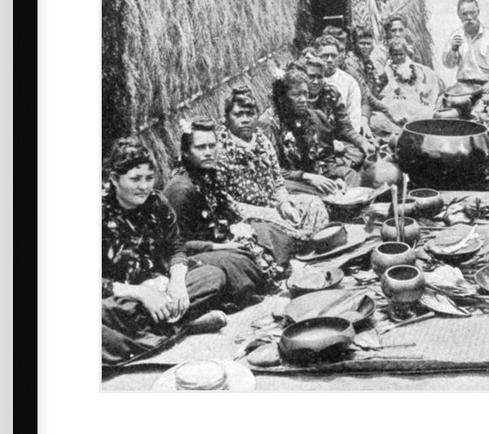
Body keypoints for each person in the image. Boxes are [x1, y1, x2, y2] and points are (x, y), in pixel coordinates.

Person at [101, 138, 230, 366]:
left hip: (162, 286)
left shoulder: (157, 202)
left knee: (213, 276)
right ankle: (185, 325)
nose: (144, 186)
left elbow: (176, 247)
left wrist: (177, 282)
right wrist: (141, 293)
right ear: (114, 179)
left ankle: (156, 330)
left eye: (149, 178)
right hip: (121, 296)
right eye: (135, 179)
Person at [163, 120, 283, 293]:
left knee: (265, 232)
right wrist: (221, 246)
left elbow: (222, 214)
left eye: (212, 146)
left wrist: (236, 229)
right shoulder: (180, 191)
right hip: (187, 258)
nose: (208, 152)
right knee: (239, 260)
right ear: (186, 153)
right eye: (201, 147)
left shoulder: (207, 176)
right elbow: (176, 247)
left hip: (214, 240)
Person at [215, 87, 329, 239]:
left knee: (314, 204)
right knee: (277, 225)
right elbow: (224, 200)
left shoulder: (263, 142)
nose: (245, 120)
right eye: (238, 114)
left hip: (271, 203)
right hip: (243, 213)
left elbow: (277, 181)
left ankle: (312, 246)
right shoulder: (220, 149)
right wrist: (267, 213)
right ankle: (300, 243)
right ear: (227, 118)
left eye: (250, 114)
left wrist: (284, 204)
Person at [257, 68, 366, 194]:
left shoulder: (315, 117)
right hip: (290, 179)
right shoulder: (269, 124)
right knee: (303, 190)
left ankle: (348, 201)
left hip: (315, 172)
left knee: (349, 175)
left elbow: (326, 157)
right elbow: (271, 170)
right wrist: (308, 177)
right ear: (282, 97)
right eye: (296, 94)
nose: (303, 100)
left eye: (305, 94)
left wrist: (333, 178)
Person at [442, 0, 489, 99]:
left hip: (486, 87)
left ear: (478, 12)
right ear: (459, 15)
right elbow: (448, 64)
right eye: (464, 14)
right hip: (462, 88)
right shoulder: (455, 37)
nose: (469, 17)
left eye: (472, 13)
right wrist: (453, 49)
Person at [377, 40, 445, 127]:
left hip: (410, 90)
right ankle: (402, 121)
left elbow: (417, 78)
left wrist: (420, 90)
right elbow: (391, 80)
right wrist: (398, 91)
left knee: (417, 106)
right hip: (396, 92)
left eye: (401, 54)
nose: (398, 57)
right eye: (395, 55)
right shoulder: (389, 66)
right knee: (399, 105)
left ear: (406, 53)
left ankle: (415, 121)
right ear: (391, 55)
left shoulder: (409, 64)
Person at [316, 34, 364, 133]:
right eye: (325, 56)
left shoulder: (350, 82)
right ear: (317, 56)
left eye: (333, 56)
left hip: (344, 136)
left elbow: (354, 119)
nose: (329, 60)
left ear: (339, 57)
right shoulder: (312, 81)